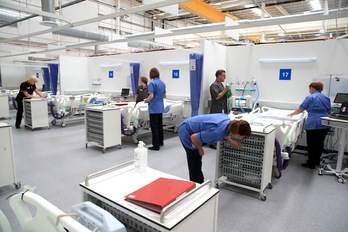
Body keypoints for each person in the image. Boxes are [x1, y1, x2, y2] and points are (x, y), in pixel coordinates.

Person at [178, 114, 252, 183]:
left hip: (192, 124)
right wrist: (200, 149)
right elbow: (193, 138)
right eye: (241, 136)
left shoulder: (228, 120)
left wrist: (230, 140)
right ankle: (197, 185)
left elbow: (225, 130)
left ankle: (198, 182)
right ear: (238, 134)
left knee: (197, 158)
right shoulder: (216, 133)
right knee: (195, 161)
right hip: (186, 130)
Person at [288, 81, 331, 169]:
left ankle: (311, 163)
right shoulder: (326, 98)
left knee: (312, 144)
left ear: (312, 88)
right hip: (325, 123)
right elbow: (329, 111)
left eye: (309, 89)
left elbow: (300, 109)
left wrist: (291, 114)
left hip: (314, 123)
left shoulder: (310, 97)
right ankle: (317, 160)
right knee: (319, 143)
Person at [144, 68, 166, 151]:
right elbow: (164, 96)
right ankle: (161, 142)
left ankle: (156, 146)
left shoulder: (152, 83)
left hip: (153, 108)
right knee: (160, 125)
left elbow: (151, 96)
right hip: (160, 107)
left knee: (154, 127)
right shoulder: (163, 83)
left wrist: (147, 100)